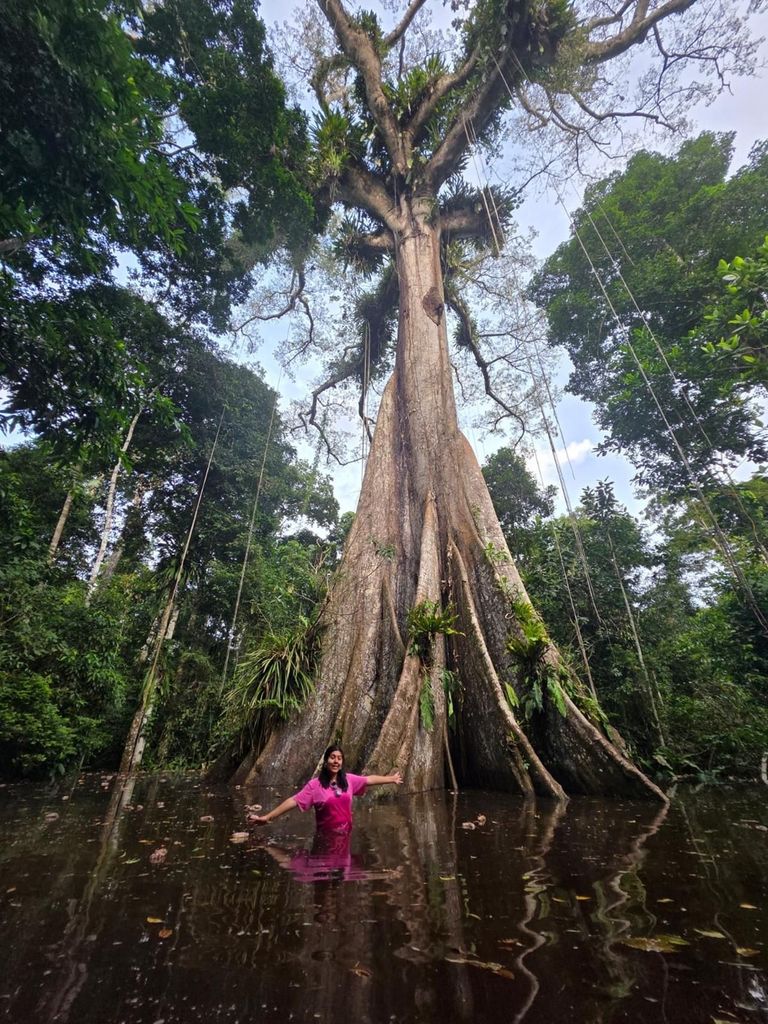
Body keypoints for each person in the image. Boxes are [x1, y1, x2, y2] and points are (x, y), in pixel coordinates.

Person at [247, 744, 403, 834]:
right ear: (326, 761)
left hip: (345, 836)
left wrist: (391, 779)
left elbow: (368, 779)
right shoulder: (315, 785)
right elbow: (293, 801)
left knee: (343, 874)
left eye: (339, 758)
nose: (336, 761)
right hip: (325, 838)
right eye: (332, 757)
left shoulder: (348, 780)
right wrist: (267, 817)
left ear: (342, 762)